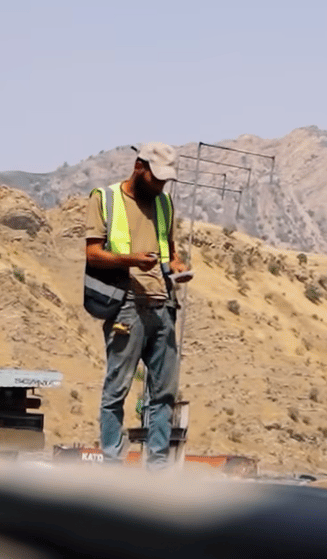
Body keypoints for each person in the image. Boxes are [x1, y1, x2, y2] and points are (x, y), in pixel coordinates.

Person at [85, 142, 192, 469]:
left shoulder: (165, 206)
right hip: (126, 306)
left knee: (163, 396)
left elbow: (169, 253)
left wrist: (176, 266)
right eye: (156, 178)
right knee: (115, 393)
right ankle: (113, 467)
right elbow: (92, 253)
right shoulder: (105, 199)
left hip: (163, 307)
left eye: (165, 181)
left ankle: (157, 470)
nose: (160, 186)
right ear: (138, 166)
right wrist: (131, 260)